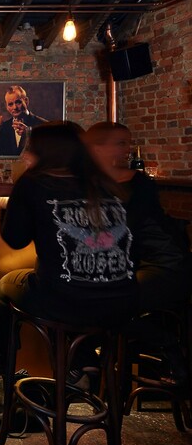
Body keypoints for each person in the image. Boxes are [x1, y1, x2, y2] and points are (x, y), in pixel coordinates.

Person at [0, 122, 137, 382]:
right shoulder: (104, 181)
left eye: (31, 147)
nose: (26, 153)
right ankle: (81, 363)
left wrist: (4, 211)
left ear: (45, 151)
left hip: (67, 301)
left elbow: (16, 239)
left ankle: (0, 367)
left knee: (5, 287)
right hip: (122, 300)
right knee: (69, 287)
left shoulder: (33, 183)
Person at [85, 121, 191, 381]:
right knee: (84, 297)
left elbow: (123, 231)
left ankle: (166, 343)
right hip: (135, 265)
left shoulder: (138, 183)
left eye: (128, 143)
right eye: (121, 143)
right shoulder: (97, 183)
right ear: (97, 148)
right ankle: (89, 367)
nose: (128, 150)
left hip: (166, 266)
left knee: (105, 301)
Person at [0, 85, 48, 157]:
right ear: (7, 107)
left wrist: (29, 134)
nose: (14, 107)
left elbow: (49, 154)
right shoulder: (3, 128)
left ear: (26, 101)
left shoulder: (44, 125)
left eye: (18, 102)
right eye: (10, 104)